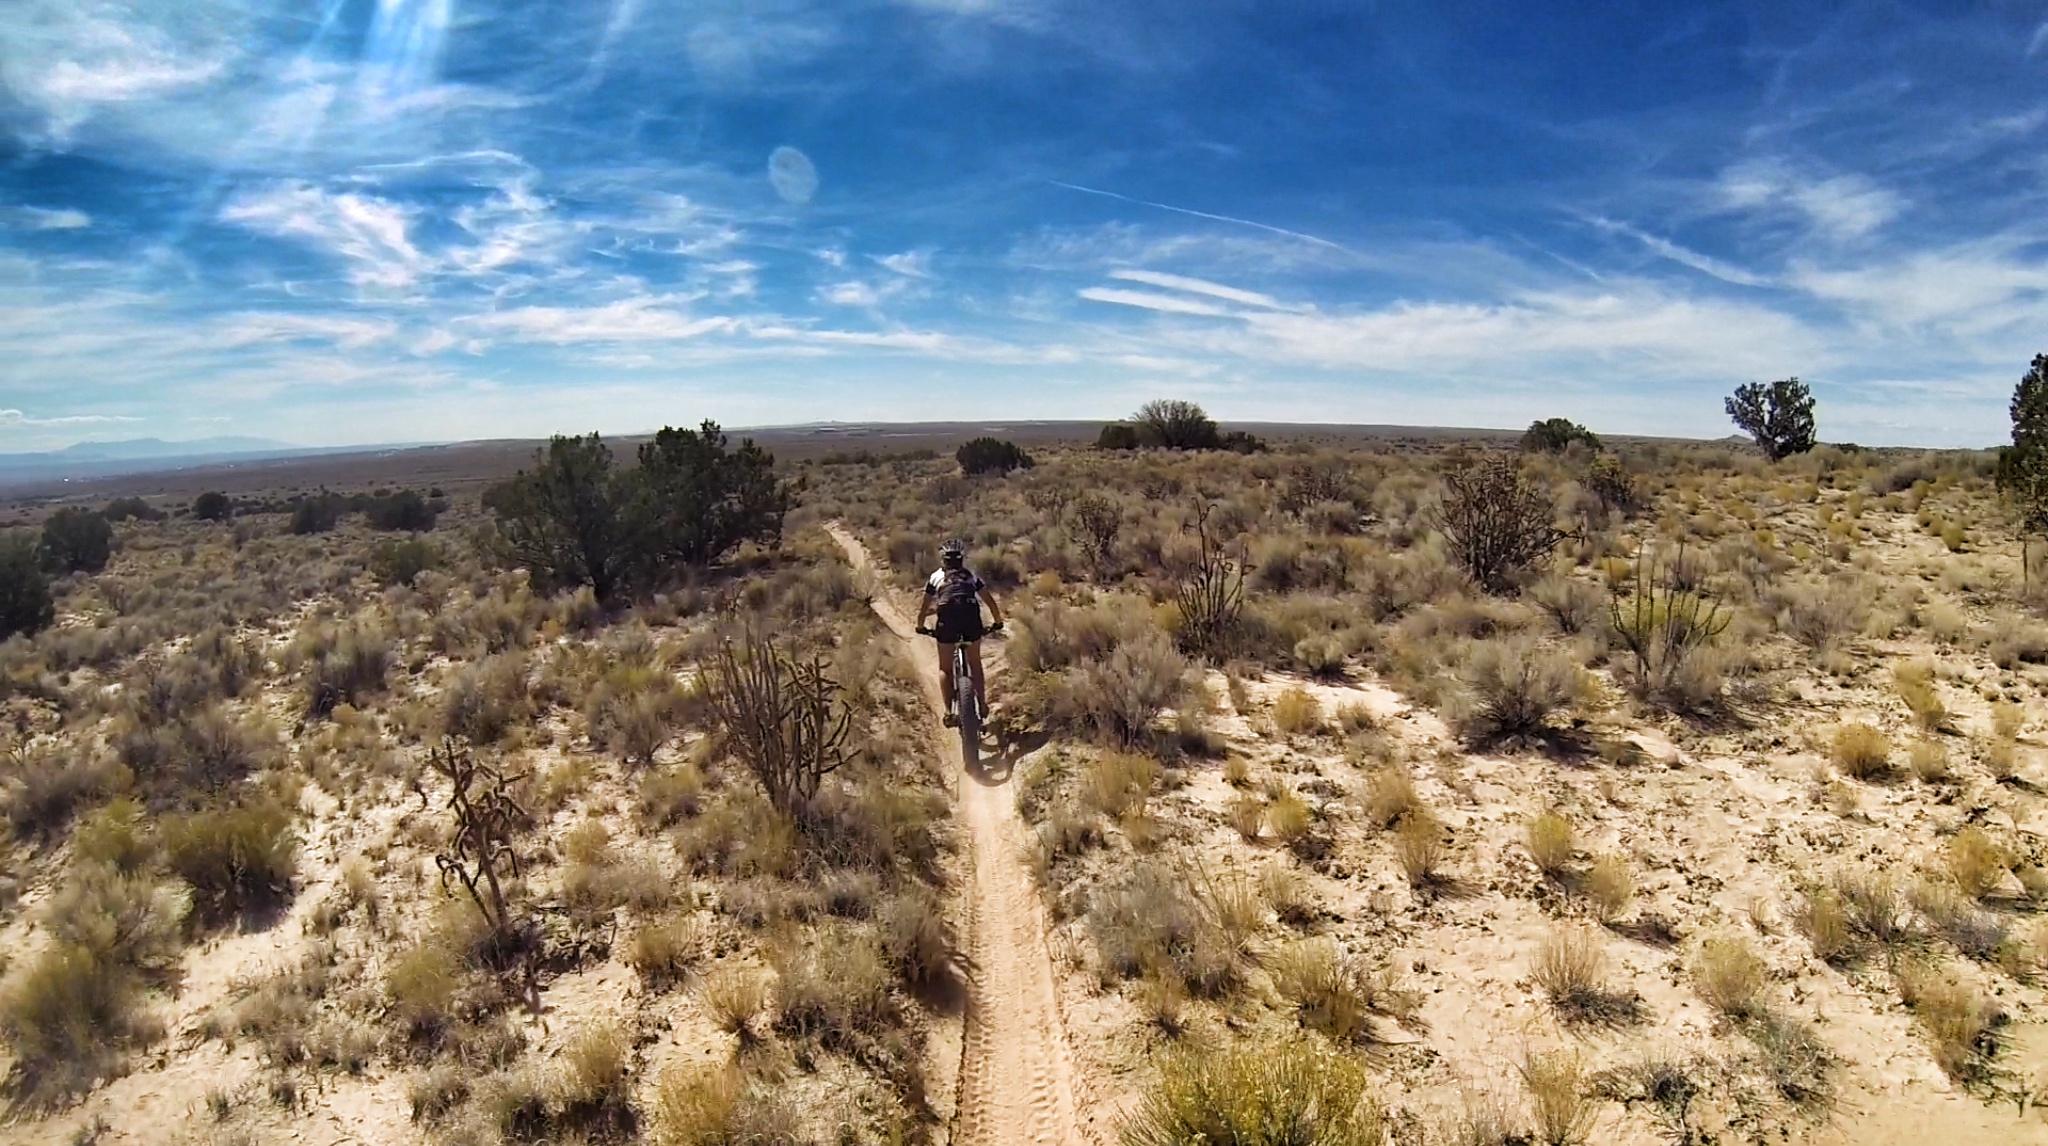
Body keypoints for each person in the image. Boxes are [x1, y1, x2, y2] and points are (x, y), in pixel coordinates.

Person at [915, 538, 1004, 726]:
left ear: (943, 560)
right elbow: (990, 601)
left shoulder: (935, 577)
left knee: (945, 668)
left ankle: (948, 712)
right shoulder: (971, 576)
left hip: (947, 625)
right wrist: (998, 622)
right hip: (971, 622)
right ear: (962, 559)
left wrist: (920, 626)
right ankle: (981, 703)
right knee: (975, 663)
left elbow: (924, 607)